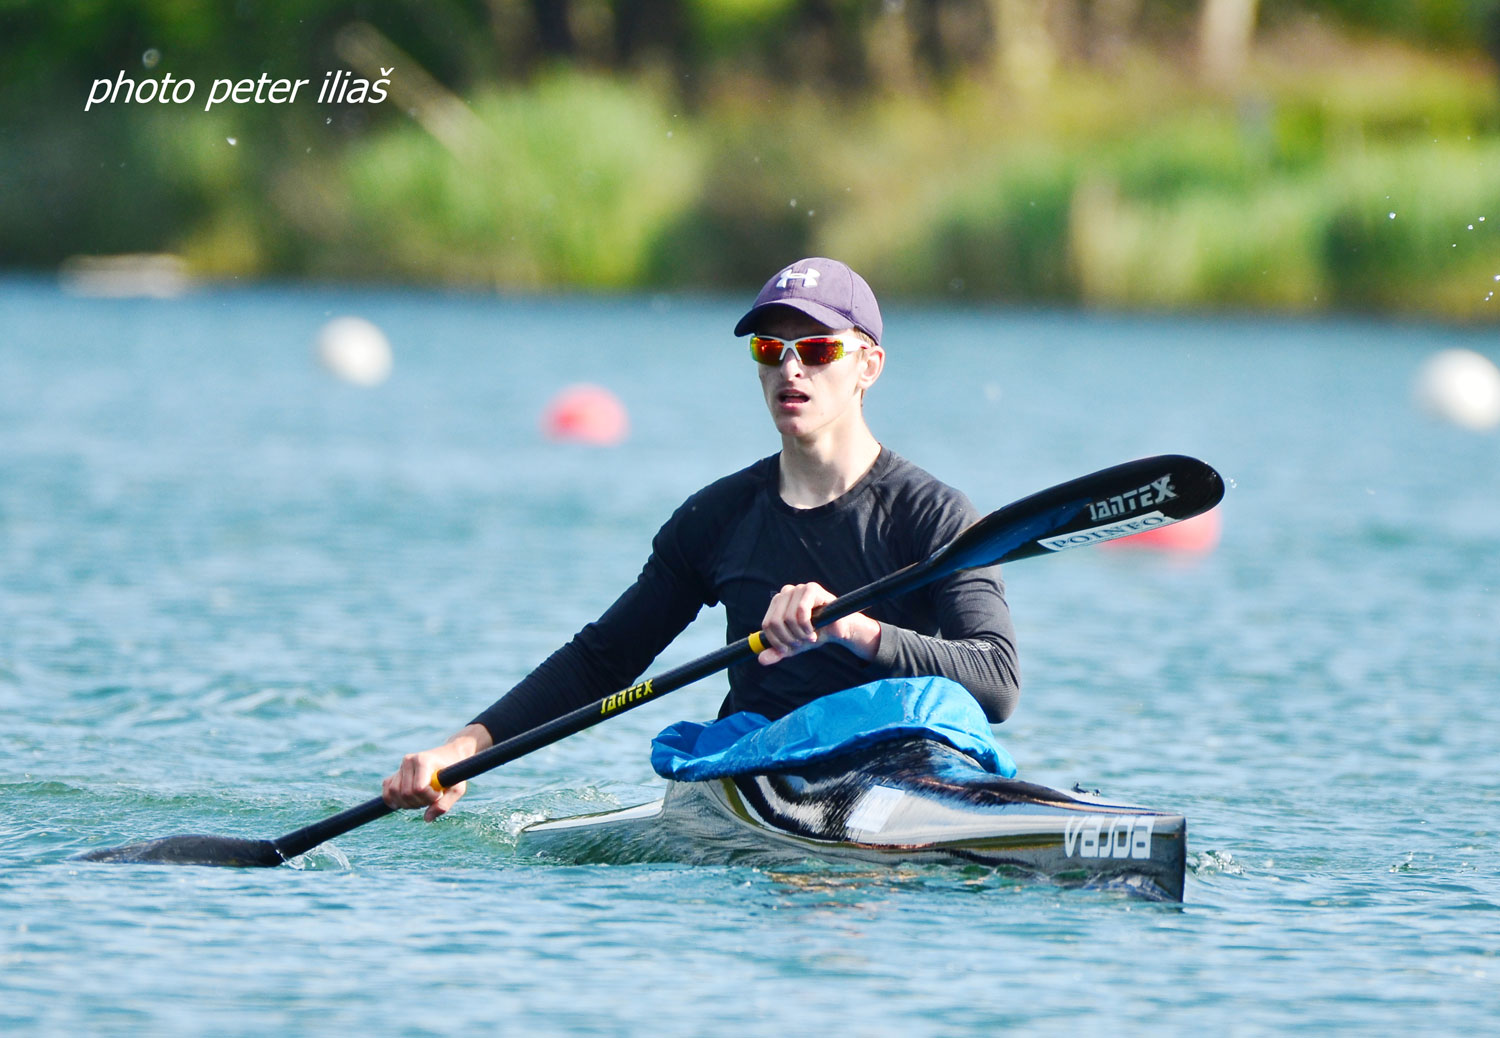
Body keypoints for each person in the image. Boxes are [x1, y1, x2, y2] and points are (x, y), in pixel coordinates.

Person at [383, 258, 1020, 820]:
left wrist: (854, 629)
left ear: (868, 367)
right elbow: (603, 659)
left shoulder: (933, 515)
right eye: (770, 350)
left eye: (817, 350)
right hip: (761, 781)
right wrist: (461, 749)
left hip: (900, 768)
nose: (790, 367)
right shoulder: (717, 518)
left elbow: (996, 681)